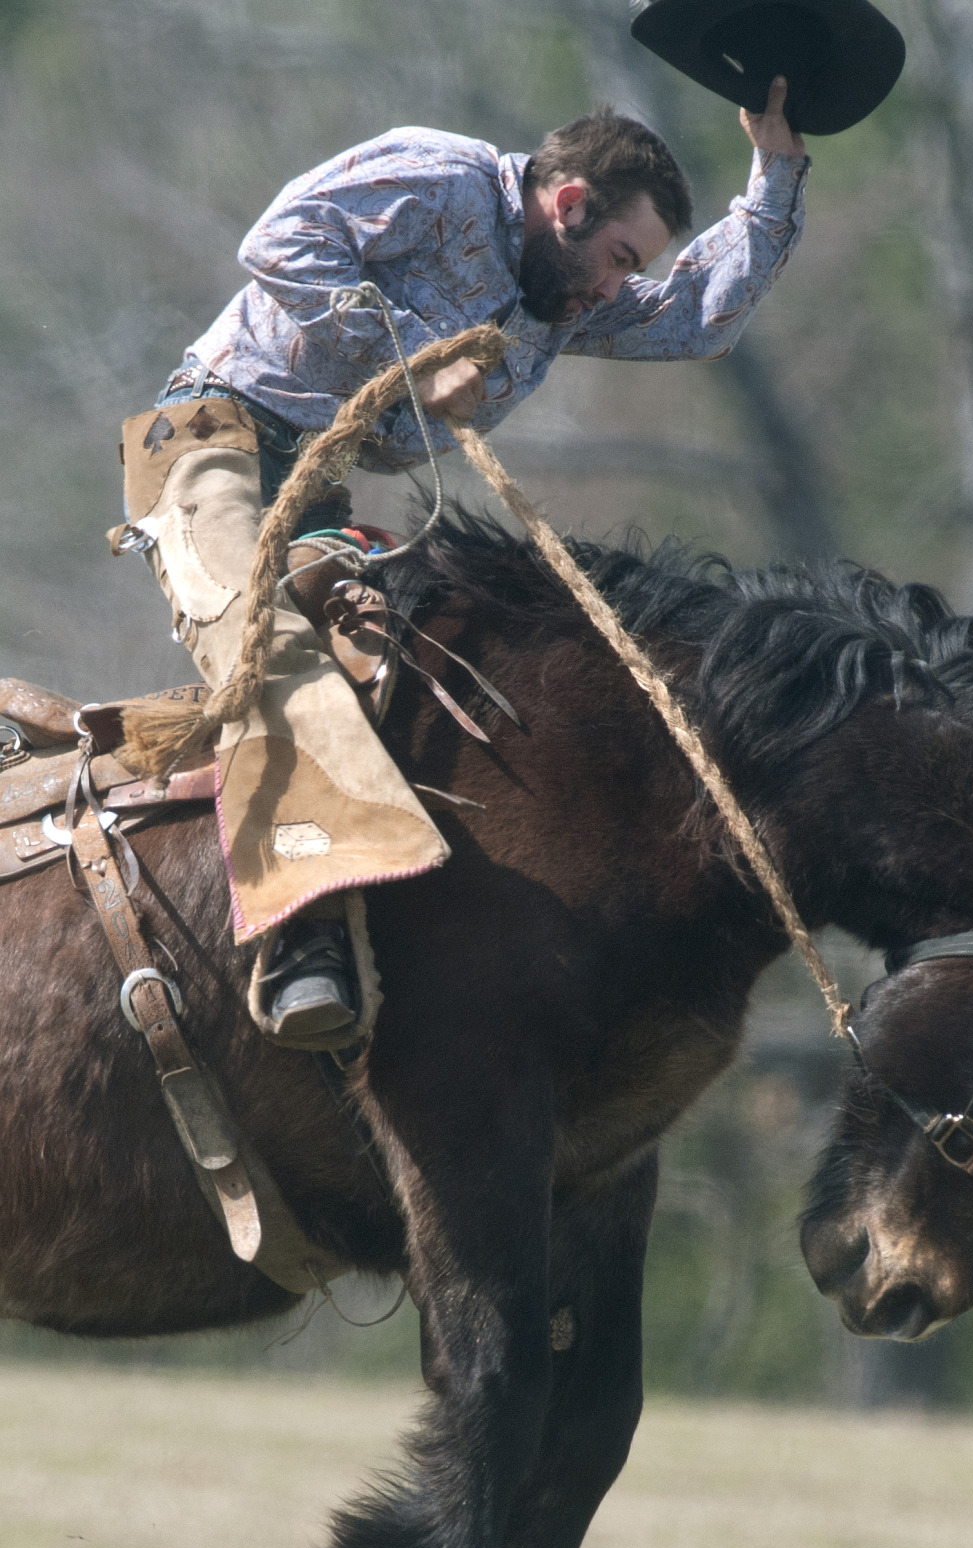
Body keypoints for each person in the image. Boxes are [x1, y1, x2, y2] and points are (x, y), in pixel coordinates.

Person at [115, 81, 808, 1047]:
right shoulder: (439, 176)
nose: (618, 287)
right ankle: (301, 943)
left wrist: (775, 172)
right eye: (618, 258)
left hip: (318, 493)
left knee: (384, 656)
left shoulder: (560, 296)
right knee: (273, 648)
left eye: (630, 271)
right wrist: (413, 352)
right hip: (207, 444)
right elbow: (280, 242)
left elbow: (699, 319)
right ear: (567, 204)